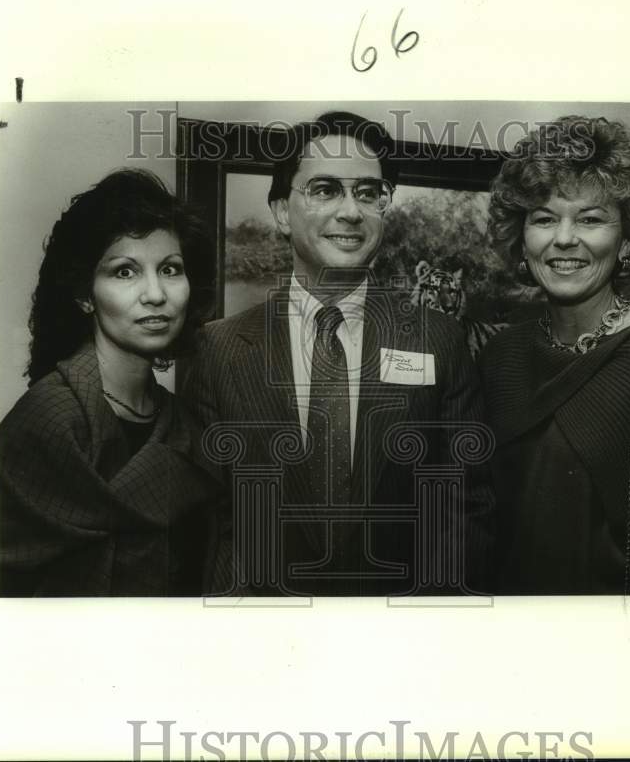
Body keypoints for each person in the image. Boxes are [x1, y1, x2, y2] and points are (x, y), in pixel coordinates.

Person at [192, 112, 493, 596]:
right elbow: (211, 519)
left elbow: (465, 504)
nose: (351, 211)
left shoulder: (437, 340)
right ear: (282, 212)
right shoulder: (220, 349)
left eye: (368, 193)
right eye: (325, 189)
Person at [480, 116, 630, 595]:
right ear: (522, 240)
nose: (564, 238)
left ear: (627, 240)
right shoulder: (499, 357)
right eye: (544, 218)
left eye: (590, 218)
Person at [0, 169, 218, 596]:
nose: (155, 294)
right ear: (85, 294)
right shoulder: (49, 419)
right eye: (124, 272)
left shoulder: (181, 422)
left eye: (170, 269)